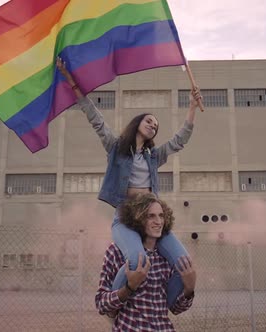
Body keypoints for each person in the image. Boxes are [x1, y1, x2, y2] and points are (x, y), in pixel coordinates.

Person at [57, 58, 201, 307]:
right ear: (137, 123)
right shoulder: (116, 148)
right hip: (125, 215)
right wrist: (71, 81)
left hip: (151, 216)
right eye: (149, 121)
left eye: (156, 126)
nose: (153, 126)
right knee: (137, 260)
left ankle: (162, 309)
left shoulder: (154, 157)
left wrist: (191, 107)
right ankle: (116, 307)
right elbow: (95, 117)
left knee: (184, 264)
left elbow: (179, 140)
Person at [95, 193, 196, 331]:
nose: (159, 221)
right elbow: (101, 304)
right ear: (137, 219)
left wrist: (189, 290)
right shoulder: (116, 252)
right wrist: (129, 288)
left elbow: (176, 309)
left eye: (161, 216)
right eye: (151, 216)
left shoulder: (168, 257)